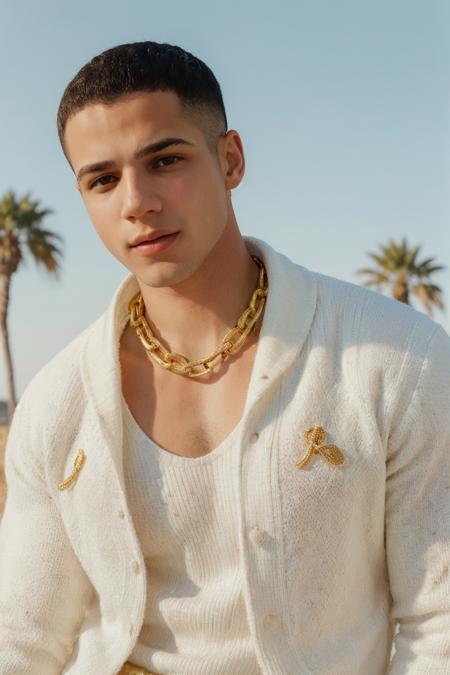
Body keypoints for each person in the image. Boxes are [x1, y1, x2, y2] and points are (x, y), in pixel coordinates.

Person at [0, 40, 449, 675]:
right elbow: (21, 638)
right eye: (102, 179)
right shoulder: (56, 404)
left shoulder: (399, 359)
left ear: (230, 159)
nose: (136, 202)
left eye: (165, 161)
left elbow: (438, 623)